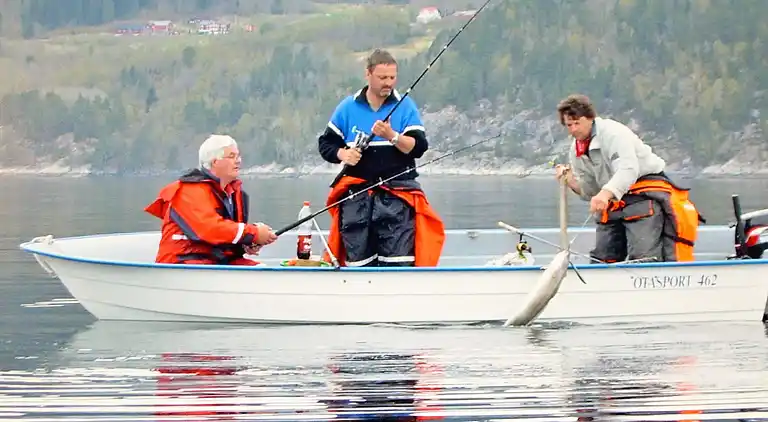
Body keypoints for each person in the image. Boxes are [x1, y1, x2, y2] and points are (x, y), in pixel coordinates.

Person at [317, 48, 445, 267]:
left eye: (392, 78)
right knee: (358, 262)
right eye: (382, 77)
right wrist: (343, 154)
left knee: (398, 262)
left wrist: (392, 136)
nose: (388, 83)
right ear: (368, 74)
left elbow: (418, 147)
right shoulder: (347, 107)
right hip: (356, 197)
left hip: (397, 196)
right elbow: (326, 144)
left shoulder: (405, 106)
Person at [553, 94, 705, 263]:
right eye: (569, 125)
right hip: (614, 201)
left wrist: (605, 194)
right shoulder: (576, 151)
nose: (574, 129)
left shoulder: (613, 133)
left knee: (643, 257)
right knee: (602, 258)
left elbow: (628, 170)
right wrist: (570, 181)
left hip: (643, 194)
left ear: (590, 118)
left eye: (577, 123)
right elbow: (590, 191)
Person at [144, 134, 277, 265]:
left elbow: (226, 238)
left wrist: (245, 244)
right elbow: (211, 229)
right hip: (182, 264)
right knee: (257, 274)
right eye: (232, 156)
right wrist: (254, 233)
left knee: (261, 269)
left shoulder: (232, 192)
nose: (238, 161)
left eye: (238, 156)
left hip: (214, 262)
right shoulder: (189, 191)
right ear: (215, 162)